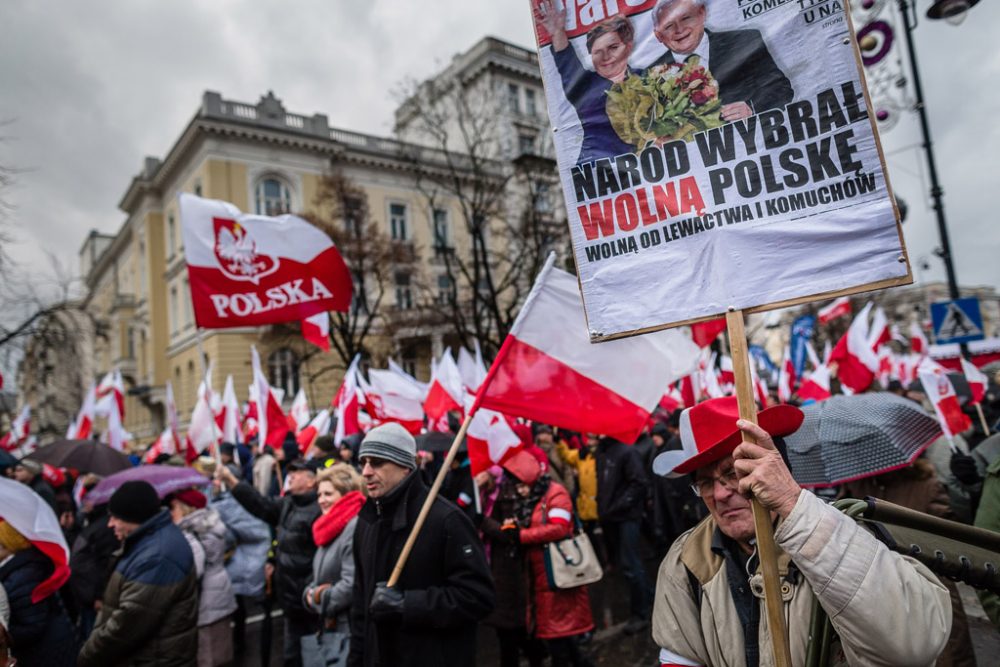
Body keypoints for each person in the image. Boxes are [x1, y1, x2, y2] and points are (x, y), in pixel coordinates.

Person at [650, 396, 952, 666]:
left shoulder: (845, 533)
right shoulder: (684, 560)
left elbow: (915, 645)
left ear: (774, 468)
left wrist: (793, 504)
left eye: (733, 472)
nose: (719, 494)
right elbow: (681, 656)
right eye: (705, 482)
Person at [348, 423, 495, 667]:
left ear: (406, 466)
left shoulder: (447, 520)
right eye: (363, 462)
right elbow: (360, 606)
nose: (366, 471)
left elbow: (478, 597)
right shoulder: (366, 523)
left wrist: (408, 604)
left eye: (377, 462)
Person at [481, 450, 595, 667]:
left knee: (561, 635)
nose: (520, 491)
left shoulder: (555, 494)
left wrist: (521, 535)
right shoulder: (535, 497)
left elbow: (559, 528)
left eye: (522, 485)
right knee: (558, 635)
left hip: (558, 573)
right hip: (542, 575)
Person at [78, 480, 198, 666]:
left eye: (115, 517)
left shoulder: (157, 557)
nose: (110, 524)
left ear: (134, 518)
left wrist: (87, 655)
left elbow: (126, 626)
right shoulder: (149, 542)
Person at [218, 457, 320, 667]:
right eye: (290, 472)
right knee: (292, 657)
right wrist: (231, 481)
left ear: (312, 481)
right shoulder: (288, 504)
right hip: (289, 600)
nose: (290, 475)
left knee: (312, 656)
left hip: (308, 602)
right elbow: (260, 504)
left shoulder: (319, 509)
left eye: (297, 472)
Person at [649, 0, 793, 121]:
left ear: (701, 14)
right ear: (658, 35)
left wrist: (752, 107)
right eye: (668, 26)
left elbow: (781, 89)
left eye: (686, 18)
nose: (679, 29)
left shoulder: (744, 42)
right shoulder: (649, 75)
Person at [536, 0, 637, 163]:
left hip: (649, 174)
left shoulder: (650, 78)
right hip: (599, 174)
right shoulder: (587, 85)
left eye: (613, 47)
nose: (605, 57)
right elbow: (566, 61)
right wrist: (557, 32)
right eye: (598, 51)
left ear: (628, 46)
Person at [302, 464, 365, 665]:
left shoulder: (353, 526)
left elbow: (350, 584)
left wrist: (318, 598)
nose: (321, 500)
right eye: (319, 494)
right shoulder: (329, 526)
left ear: (346, 494)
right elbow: (320, 576)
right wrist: (310, 593)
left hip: (348, 630)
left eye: (328, 493)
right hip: (330, 625)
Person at [169, 487, 238, 667]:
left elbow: (193, 571)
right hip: (219, 594)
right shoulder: (207, 523)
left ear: (185, 509)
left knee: (208, 656)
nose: (170, 513)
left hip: (206, 602)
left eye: (173, 508)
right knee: (221, 653)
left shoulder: (190, 532)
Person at [211, 477, 274, 662]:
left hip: (243, 563)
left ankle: (241, 646)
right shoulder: (236, 502)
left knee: (241, 607)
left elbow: (229, 536)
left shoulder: (229, 505)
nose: (213, 483)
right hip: (254, 561)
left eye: (217, 480)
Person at [596, 435, 653, 634]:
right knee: (627, 564)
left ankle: (641, 614)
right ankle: (648, 599)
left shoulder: (627, 451)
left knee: (631, 564)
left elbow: (639, 483)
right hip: (612, 519)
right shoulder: (602, 452)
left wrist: (618, 506)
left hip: (627, 517)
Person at [0, 519, 76, 666]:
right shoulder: (19, 568)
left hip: (45, 654)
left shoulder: (23, 576)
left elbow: (32, 627)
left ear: (8, 546)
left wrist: (4, 634)